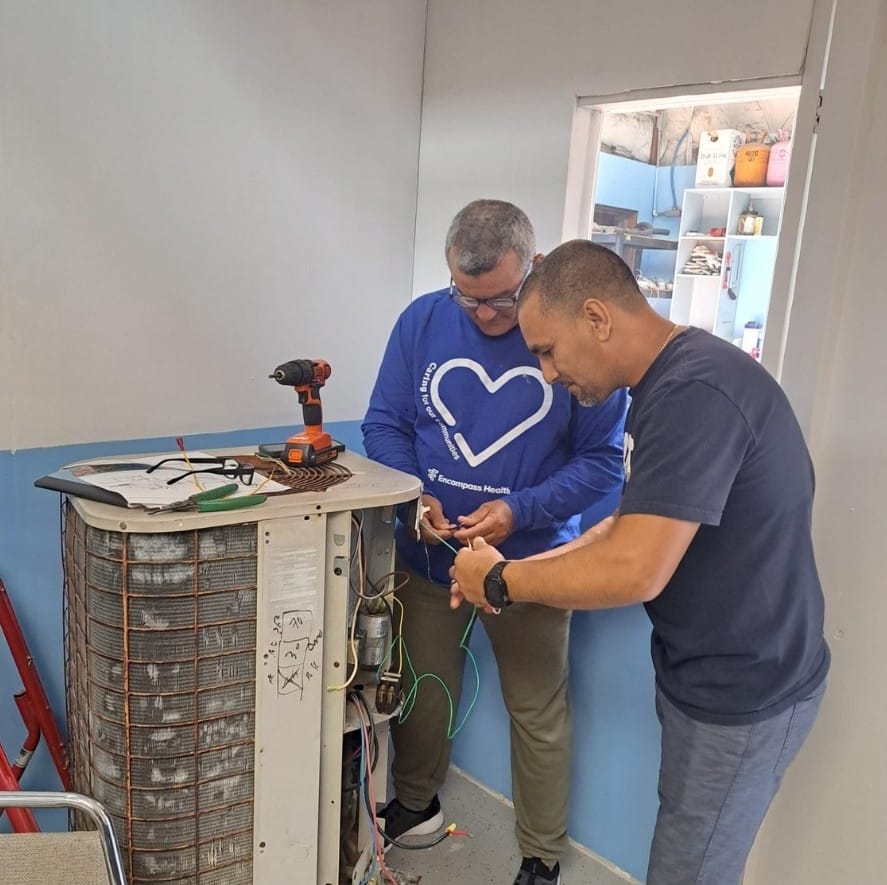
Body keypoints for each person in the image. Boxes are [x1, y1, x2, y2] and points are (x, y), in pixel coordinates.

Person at [450, 239, 830, 885]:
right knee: (686, 841)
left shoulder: (696, 392)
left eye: (546, 350)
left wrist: (499, 578)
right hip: (699, 672)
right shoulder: (661, 385)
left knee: (688, 868)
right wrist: (520, 566)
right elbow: (622, 528)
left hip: (744, 689)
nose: (545, 374)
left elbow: (635, 568)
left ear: (596, 318)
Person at [362, 202, 628, 885]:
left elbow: (601, 463)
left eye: (501, 300)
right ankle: (415, 803)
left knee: (536, 709)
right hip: (428, 554)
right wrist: (412, 491)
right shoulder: (421, 320)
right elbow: (385, 421)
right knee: (422, 691)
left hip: (531, 567)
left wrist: (517, 511)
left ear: (534, 267)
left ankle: (539, 853)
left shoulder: (574, 340)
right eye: (468, 298)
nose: (484, 316)